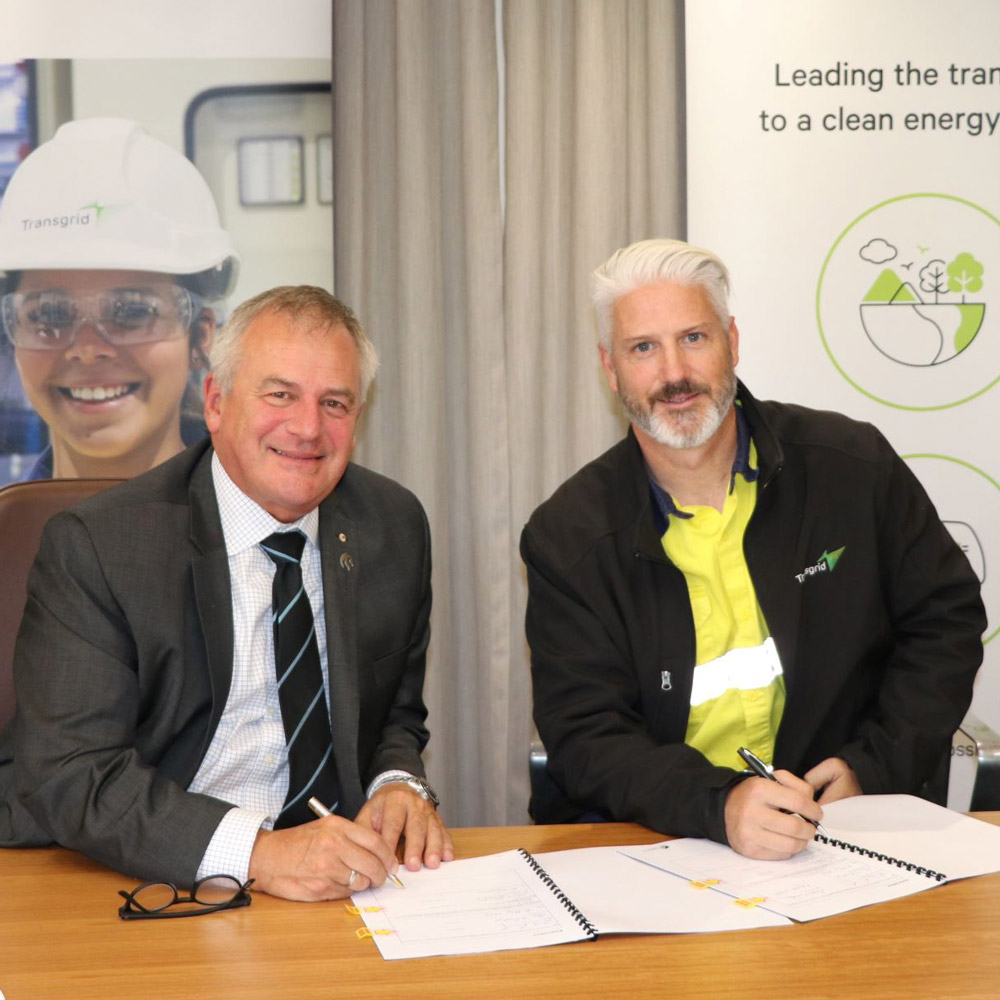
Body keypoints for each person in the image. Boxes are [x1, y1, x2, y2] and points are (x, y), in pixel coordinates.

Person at [522, 238, 985, 861]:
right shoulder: (567, 536)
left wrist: (871, 768)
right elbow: (586, 737)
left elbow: (945, 620)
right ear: (610, 369)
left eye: (694, 338)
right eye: (643, 348)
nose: (673, 374)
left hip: (840, 827)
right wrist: (719, 803)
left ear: (732, 342)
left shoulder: (852, 468)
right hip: (656, 840)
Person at [0, 284, 451, 900]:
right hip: (136, 875)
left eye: (335, 403)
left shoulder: (392, 525)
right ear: (216, 402)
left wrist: (398, 784)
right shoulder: (100, 546)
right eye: (280, 394)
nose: (307, 428)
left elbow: (394, 713)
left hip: (339, 887)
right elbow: (72, 773)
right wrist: (260, 853)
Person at [0, 117, 237, 480]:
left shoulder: (271, 530)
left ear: (201, 336)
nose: (88, 348)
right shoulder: (10, 533)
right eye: (49, 314)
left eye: (132, 311)